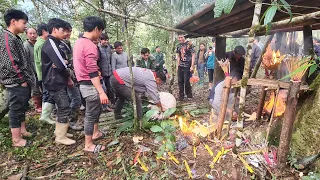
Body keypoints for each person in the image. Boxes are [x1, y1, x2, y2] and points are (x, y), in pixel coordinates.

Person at [0, 9, 35, 147]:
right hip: (15, 82)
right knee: (15, 109)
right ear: (13, 21)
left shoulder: (14, 37)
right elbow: (11, 63)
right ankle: (16, 140)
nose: (25, 26)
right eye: (23, 23)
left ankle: (22, 130)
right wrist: (22, 80)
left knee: (21, 106)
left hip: (20, 81)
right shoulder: (7, 38)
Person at [73, 16, 108, 153]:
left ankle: (96, 132)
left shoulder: (79, 42)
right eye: (100, 31)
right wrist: (101, 91)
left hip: (85, 82)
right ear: (95, 29)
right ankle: (88, 145)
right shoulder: (89, 46)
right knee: (91, 114)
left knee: (96, 110)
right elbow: (92, 72)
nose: (100, 35)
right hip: (90, 84)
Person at [42, 18, 76, 145]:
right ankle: (61, 137)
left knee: (62, 106)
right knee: (64, 106)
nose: (65, 33)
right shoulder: (51, 43)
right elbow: (61, 64)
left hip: (57, 79)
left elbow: (61, 62)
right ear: (55, 30)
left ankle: (60, 131)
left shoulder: (56, 43)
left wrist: (63, 63)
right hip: (53, 81)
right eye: (63, 30)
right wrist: (65, 65)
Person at [60, 23, 83, 131]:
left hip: (73, 75)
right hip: (68, 77)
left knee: (75, 99)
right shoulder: (59, 45)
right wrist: (68, 78)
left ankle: (71, 120)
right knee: (76, 99)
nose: (68, 33)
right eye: (66, 31)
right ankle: (72, 121)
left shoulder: (67, 43)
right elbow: (63, 64)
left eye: (70, 31)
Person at [34, 23, 56, 124]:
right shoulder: (41, 44)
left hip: (44, 74)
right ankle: (45, 116)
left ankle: (46, 115)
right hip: (45, 74)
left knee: (47, 94)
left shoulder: (41, 42)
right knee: (48, 94)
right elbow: (42, 62)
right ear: (43, 31)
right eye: (48, 31)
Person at [24, 27, 42, 113]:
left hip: (41, 70)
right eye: (30, 33)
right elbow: (25, 61)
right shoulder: (25, 46)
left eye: (34, 33)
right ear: (26, 35)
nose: (32, 35)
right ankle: (37, 106)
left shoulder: (39, 43)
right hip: (31, 71)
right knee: (35, 89)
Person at [176, 33, 195, 101]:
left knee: (186, 81)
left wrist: (192, 66)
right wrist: (177, 66)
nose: (180, 39)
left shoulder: (189, 44)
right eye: (179, 38)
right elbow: (178, 56)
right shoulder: (178, 46)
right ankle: (181, 96)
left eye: (181, 37)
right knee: (180, 81)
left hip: (187, 65)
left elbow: (193, 55)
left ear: (184, 37)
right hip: (180, 65)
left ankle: (189, 95)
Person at [99, 33, 115, 107]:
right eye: (104, 40)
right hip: (101, 73)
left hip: (109, 71)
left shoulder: (109, 48)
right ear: (100, 40)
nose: (106, 42)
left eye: (107, 40)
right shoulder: (97, 48)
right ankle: (104, 105)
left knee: (111, 88)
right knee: (103, 89)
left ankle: (112, 103)